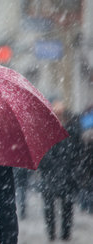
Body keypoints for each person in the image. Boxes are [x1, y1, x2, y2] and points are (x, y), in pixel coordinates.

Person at [38, 101, 84, 241]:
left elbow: (78, 153)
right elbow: (42, 155)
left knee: (67, 207)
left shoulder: (72, 131)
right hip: (51, 176)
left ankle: (65, 234)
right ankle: (52, 233)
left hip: (66, 176)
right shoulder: (47, 131)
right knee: (49, 208)